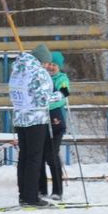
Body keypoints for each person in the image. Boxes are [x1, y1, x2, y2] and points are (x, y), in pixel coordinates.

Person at [9, 44, 57, 209]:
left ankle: (23, 195)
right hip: (36, 118)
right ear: (42, 60)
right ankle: (31, 197)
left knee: (24, 157)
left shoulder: (17, 70)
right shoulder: (38, 72)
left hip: (20, 118)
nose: (46, 66)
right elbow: (44, 99)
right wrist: (62, 94)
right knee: (35, 158)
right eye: (46, 62)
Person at [38, 51, 70, 199]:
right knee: (41, 155)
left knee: (52, 155)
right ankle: (42, 189)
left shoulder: (61, 79)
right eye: (49, 64)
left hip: (56, 120)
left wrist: (49, 101)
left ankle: (57, 190)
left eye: (54, 65)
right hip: (42, 119)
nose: (51, 67)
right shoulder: (42, 78)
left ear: (59, 67)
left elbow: (64, 94)